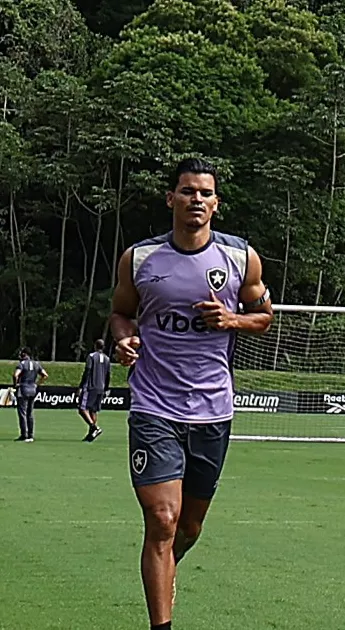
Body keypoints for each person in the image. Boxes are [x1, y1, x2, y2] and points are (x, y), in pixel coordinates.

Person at [109, 157, 273, 630]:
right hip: (154, 406)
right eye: (186, 191)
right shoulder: (140, 259)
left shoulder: (240, 257)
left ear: (216, 204)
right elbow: (120, 313)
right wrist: (124, 339)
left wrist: (233, 320)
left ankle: (165, 569)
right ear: (171, 199)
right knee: (162, 519)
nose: (195, 200)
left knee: (189, 527)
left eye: (204, 193)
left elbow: (264, 316)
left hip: (213, 410)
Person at [77, 339, 111, 442]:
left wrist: (81, 386)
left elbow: (87, 370)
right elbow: (108, 375)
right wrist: (106, 388)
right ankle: (91, 434)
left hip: (91, 386)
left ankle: (94, 427)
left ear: (95, 346)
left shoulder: (91, 357)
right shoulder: (107, 359)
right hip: (101, 387)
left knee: (82, 408)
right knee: (93, 410)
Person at [12, 347, 48, 442]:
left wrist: (16, 384)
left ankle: (24, 434)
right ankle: (31, 435)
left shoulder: (22, 364)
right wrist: (37, 384)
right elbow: (45, 375)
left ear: (24, 354)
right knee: (30, 412)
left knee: (22, 412)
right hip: (33, 389)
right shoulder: (36, 364)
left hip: (24, 388)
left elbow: (15, 375)